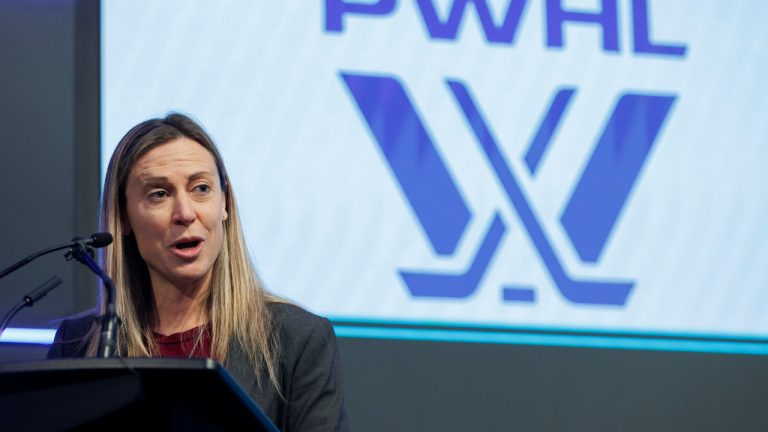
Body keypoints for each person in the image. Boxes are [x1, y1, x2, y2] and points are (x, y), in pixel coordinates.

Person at [47, 113, 349, 431]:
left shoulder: (297, 341)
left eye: (200, 188)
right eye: (159, 194)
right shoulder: (77, 345)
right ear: (123, 217)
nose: (185, 213)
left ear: (225, 202)